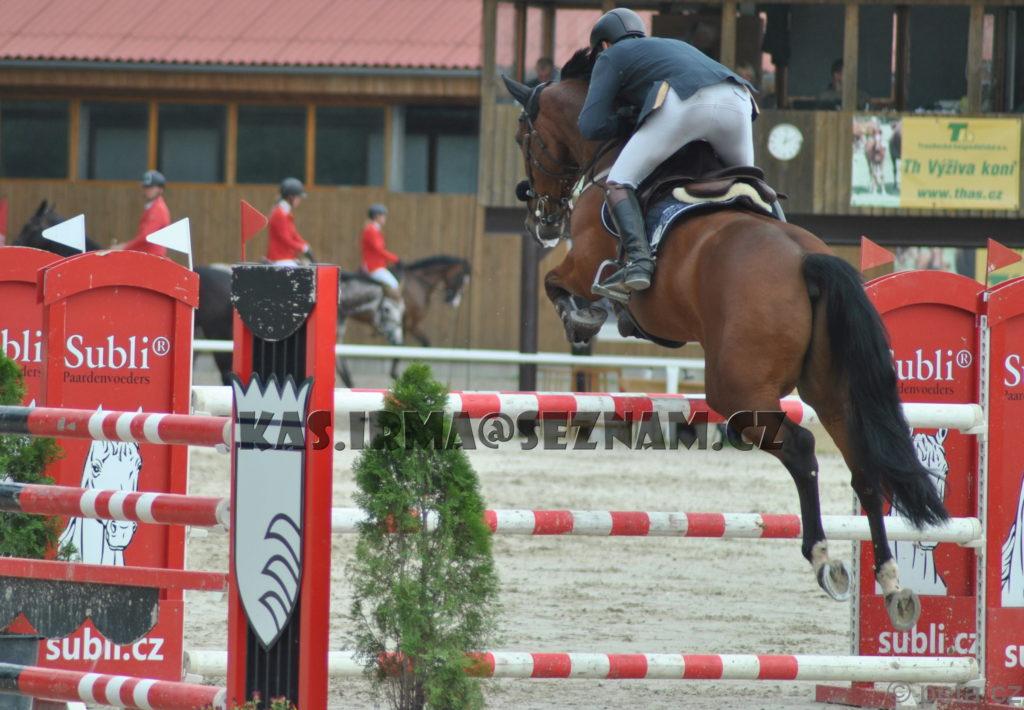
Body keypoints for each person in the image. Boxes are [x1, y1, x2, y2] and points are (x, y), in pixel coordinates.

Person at [578, 8, 758, 301]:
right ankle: (782, 228)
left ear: (605, 44)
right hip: (738, 98)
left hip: (686, 101)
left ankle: (639, 262)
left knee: (619, 181)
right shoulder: (670, 45)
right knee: (751, 184)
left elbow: (590, 125)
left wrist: (628, 119)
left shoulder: (610, 56)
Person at [113, 170, 170, 256]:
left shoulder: (158, 209)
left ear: (160, 189)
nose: (147, 190)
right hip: (147, 255)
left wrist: (124, 247)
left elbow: (145, 236)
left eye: (151, 187)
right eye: (146, 187)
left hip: (152, 257)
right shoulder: (152, 207)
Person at [266, 177, 314, 265]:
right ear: (291, 197)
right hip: (280, 259)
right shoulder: (279, 213)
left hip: (287, 257)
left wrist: (305, 245)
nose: (299, 200)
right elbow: (286, 239)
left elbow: (293, 234)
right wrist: (303, 248)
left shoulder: (285, 212)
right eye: (298, 197)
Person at [360, 204, 400, 293]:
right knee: (394, 285)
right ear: (377, 216)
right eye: (383, 216)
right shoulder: (371, 230)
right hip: (374, 267)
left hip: (377, 266)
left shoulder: (374, 229)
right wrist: (395, 259)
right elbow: (379, 250)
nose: (385, 218)